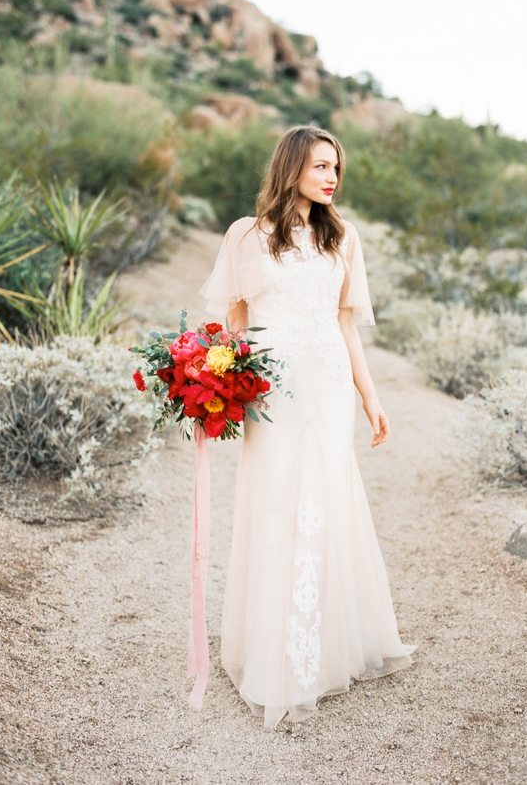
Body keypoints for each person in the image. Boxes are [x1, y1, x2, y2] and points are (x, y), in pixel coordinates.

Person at [201, 125, 415, 729]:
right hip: (271, 389)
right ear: (291, 165)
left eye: (337, 168)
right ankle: (270, 661)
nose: (331, 177)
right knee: (273, 508)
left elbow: (345, 326)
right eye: (321, 165)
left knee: (323, 505)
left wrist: (371, 398)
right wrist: (216, 389)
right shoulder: (245, 235)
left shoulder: (343, 237)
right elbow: (235, 326)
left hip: (325, 388)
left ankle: (318, 655)